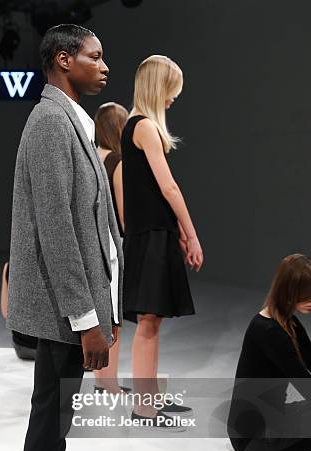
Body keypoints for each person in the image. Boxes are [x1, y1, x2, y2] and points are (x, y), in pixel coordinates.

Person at [7, 24, 123, 451]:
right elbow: (57, 230)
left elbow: (93, 224)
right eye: (94, 57)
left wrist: (108, 306)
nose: (105, 66)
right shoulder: (51, 122)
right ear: (62, 60)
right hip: (60, 312)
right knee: (48, 432)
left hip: (70, 309)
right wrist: (86, 319)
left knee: (55, 431)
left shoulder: (69, 117)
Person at [121, 55, 203, 425]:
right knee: (149, 322)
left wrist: (180, 233)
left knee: (151, 322)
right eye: (172, 92)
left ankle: (149, 400)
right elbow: (168, 187)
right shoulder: (144, 128)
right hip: (152, 237)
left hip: (153, 235)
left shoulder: (135, 126)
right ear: (159, 87)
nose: (173, 99)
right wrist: (191, 233)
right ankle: (144, 407)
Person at [228, 254, 311, 451]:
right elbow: (304, 384)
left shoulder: (286, 320)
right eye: (307, 296)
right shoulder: (268, 330)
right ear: (289, 292)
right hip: (254, 438)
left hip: (275, 417)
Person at [94, 101, 128, 394]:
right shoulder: (116, 161)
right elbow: (123, 213)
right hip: (111, 246)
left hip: (89, 244)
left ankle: (100, 380)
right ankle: (108, 382)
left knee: (98, 313)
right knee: (114, 315)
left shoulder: (90, 156)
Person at [0, 261, 37, 360]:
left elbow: (5, 313)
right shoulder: (56, 261)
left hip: (23, 347)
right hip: (51, 349)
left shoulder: (10, 265)